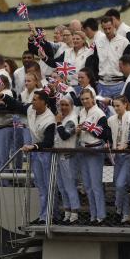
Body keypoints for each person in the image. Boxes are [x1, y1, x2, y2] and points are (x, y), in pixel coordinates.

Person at [23, 90, 56, 224]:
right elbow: (17, 105)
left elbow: (48, 142)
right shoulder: (31, 108)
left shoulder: (50, 119)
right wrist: (1, 96)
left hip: (46, 153)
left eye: (36, 99)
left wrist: (34, 146)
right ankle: (44, 215)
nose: (33, 101)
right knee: (41, 186)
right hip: (36, 153)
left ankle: (51, 215)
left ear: (43, 102)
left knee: (49, 186)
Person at [77, 90, 109, 224]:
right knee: (88, 186)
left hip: (95, 150)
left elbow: (103, 133)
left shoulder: (99, 113)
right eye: (82, 99)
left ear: (93, 99)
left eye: (87, 98)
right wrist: (79, 130)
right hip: (84, 149)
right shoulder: (81, 112)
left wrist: (88, 127)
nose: (85, 101)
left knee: (96, 185)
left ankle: (101, 216)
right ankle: (93, 215)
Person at [107, 95, 130, 226]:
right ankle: (125, 215)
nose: (116, 108)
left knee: (120, 184)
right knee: (119, 186)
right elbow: (109, 137)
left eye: (118, 105)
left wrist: (127, 145)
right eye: (114, 106)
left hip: (127, 155)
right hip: (115, 156)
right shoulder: (111, 119)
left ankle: (118, 208)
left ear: (125, 105)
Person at [88, 16, 130, 98]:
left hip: (119, 83)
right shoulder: (98, 42)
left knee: (119, 109)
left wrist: (126, 80)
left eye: (109, 28)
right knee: (103, 110)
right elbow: (95, 63)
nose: (107, 31)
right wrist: (96, 80)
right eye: (105, 29)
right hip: (102, 84)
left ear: (114, 25)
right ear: (102, 28)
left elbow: (128, 64)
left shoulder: (124, 42)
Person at [54, 94, 81, 224]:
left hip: (68, 156)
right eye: (61, 105)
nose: (63, 107)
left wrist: (58, 123)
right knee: (61, 186)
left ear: (71, 106)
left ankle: (74, 213)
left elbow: (64, 135)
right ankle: (67, 212)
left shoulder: (72, 119)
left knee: (69, 185)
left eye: (66, 105)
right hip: (59, 155)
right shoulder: (62, 118)